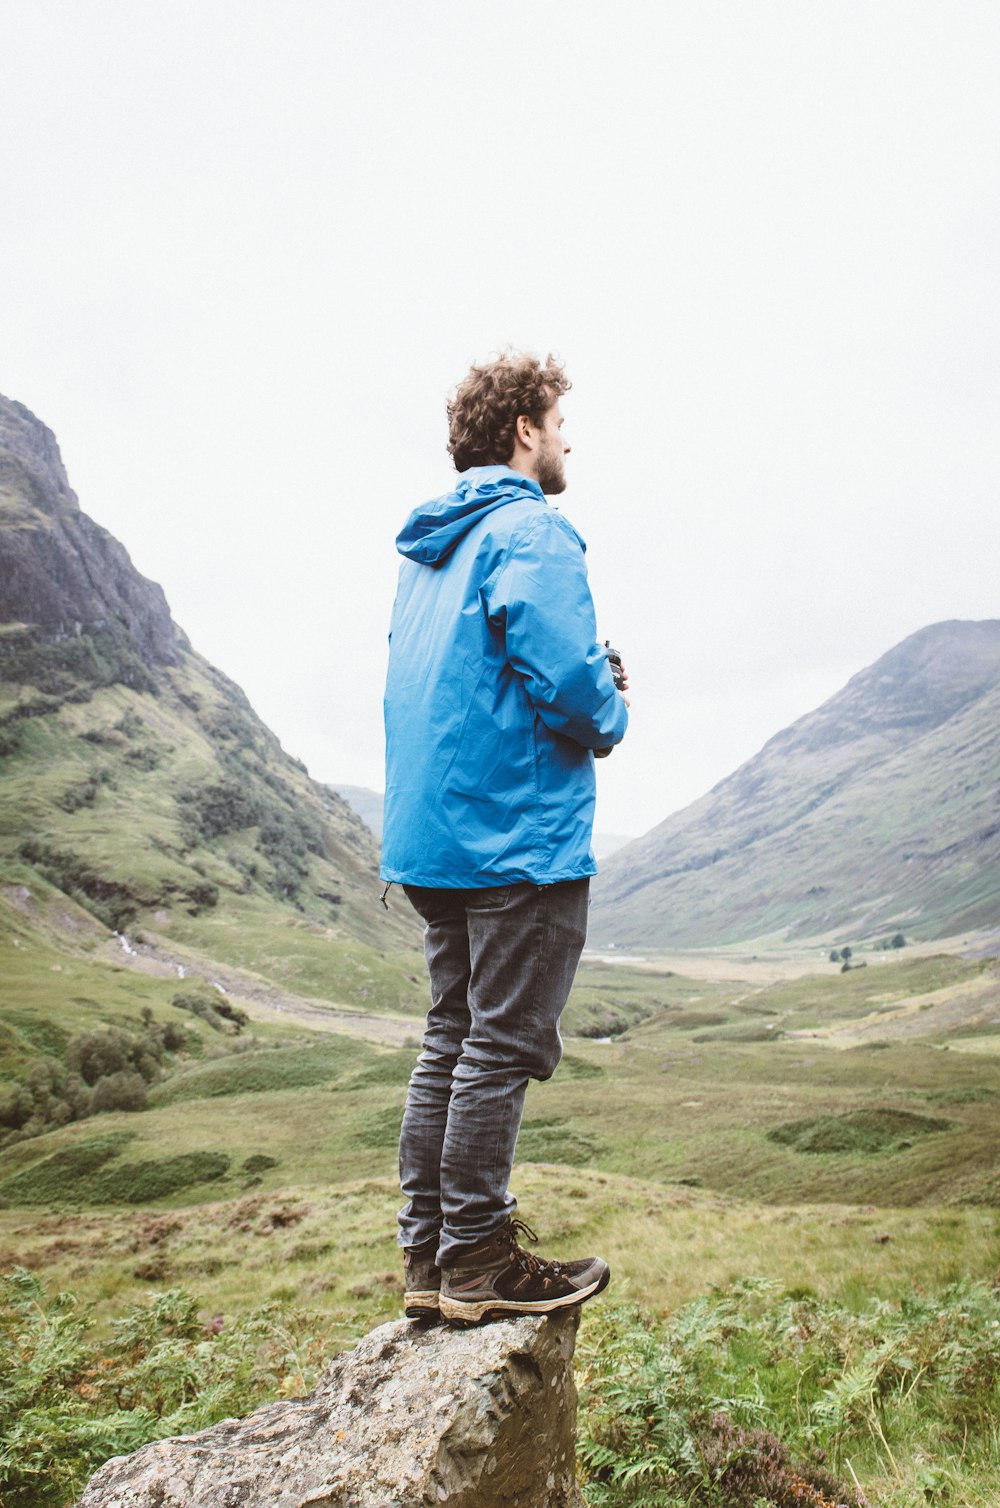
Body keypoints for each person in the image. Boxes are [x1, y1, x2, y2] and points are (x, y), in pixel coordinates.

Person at [380, 351, 629, 1326]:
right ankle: (479, 1254)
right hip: (515, 831)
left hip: (435, 839)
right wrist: (611, 706)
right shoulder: (532, 528)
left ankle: (429, 1259)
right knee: (500, 1042)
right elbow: (568, 686)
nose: (568, 436)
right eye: (560, 418)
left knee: (450, 1033)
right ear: (524, 428)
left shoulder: (429, 552)